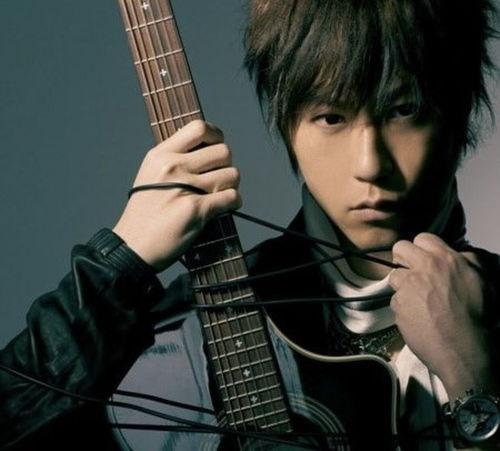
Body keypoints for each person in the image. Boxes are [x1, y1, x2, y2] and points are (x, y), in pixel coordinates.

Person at [1, 0, 499, 449]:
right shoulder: (195, 325)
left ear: (458, 114)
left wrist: (473, 374)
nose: (370, 164)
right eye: (331, 117)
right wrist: (118, 263)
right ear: (287, 124)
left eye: (404, 109)